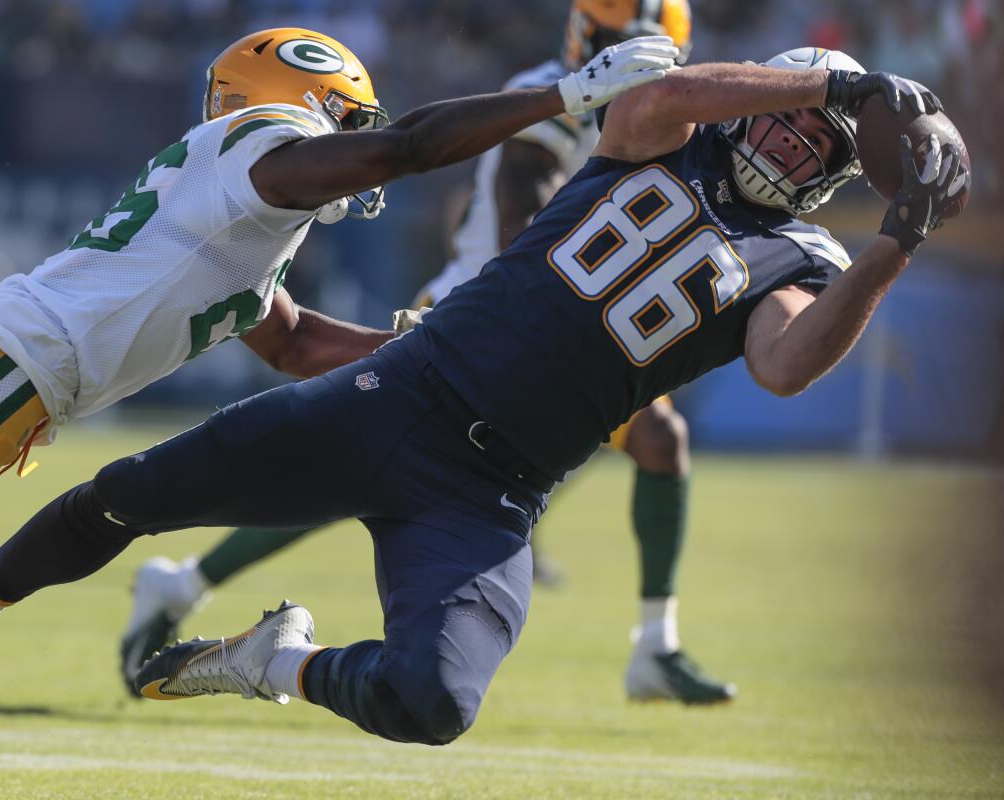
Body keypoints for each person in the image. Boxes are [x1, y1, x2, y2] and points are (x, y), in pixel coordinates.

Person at [0, 47, 963, 748]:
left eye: (813, 141)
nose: (789, 140)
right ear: (761, 101)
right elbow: (661, 92)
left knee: (435, 704)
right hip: (404, 390)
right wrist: (835, 86)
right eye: (786, 115)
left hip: (497, 490)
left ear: (832, 173)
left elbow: (784, 365)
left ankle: (276, 661)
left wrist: (897, 243)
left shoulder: (803, 254)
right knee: (126, 491)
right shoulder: (665, 133)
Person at [0, 27, 678, 650]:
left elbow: (297, 345)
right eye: (349, 120)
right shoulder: (255, 141)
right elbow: (408, 149)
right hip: (2, 366)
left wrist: (428, 344)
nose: (358, 143)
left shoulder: (240, 225)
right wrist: (563, 96)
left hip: (17, 393)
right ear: (307, 99)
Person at [119, 0, 732, 706]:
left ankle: (656, 645)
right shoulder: (561, 96)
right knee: (367, 465)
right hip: (495, 316)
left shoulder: (655, 114)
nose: (622, 52)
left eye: (638, 44)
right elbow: (520, 219)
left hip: (558, 326)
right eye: (614, 39)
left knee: (653, 441)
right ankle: (185, 581)